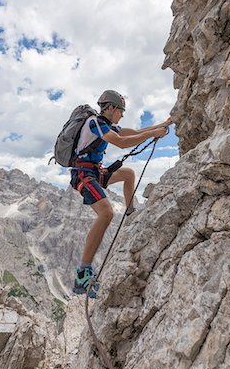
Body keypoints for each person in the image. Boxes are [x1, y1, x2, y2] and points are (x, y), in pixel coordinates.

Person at [70, 90, 172, 298]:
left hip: (94, 172)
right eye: (121, 111)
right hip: (83, 174)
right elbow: (121, 142)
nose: (122, 115)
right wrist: (153, 134)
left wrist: (164, 124)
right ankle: (82, 272)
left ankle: (131, 213)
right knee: (106, 213)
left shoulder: (107, 125)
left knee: (127, 173)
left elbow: (133, 132)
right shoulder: (94, 122)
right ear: (110, 108)